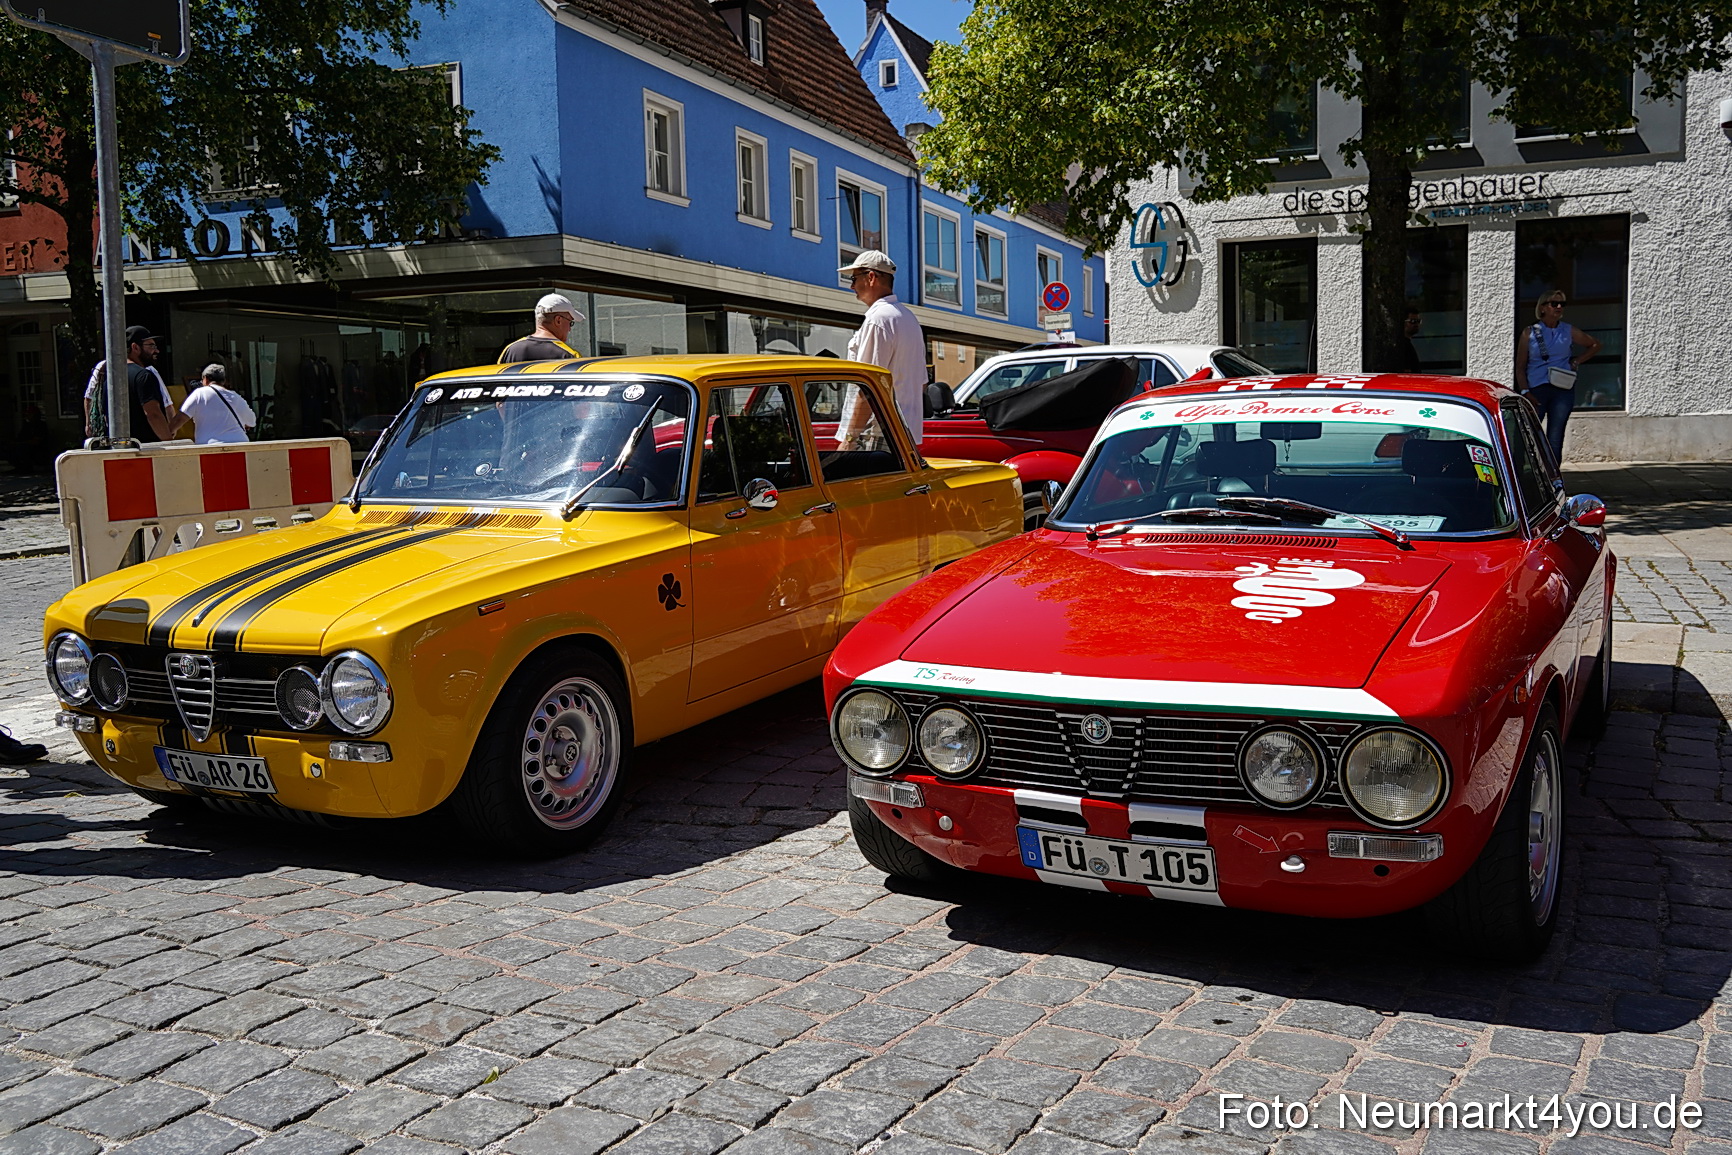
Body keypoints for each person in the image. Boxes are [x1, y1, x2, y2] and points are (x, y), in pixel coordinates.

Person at [837, 249, 926, 447]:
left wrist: (849, 439)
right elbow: (921, 383)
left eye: (853, 278)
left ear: (870, 277)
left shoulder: (878, 320)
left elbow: (867, 386)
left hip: (875, 435)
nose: (851, 286)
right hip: (902, 434)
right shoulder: (908, 319)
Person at [1515, 289, 1602, 462]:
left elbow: (1594, 345)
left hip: (1562, 389)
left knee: (1555, 436)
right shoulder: (1530, 333)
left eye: (1562, 304)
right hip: (1537, 389)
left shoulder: (1568, 330)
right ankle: (1522, 472)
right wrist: (1525, 392)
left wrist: (1576, 361)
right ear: (1543, 307)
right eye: (1554, 303)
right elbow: (1520, 367)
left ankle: (1554, 479)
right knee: (1528, 434)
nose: (1559, 307)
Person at [173, 364, 255, 445]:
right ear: (224, 381)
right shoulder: (236, 397)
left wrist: (167, 435)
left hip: (210, 447)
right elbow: (252, 422)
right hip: (239, 446)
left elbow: (180, 419)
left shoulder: (199, 393)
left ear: (205, 379)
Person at [498, 294, 586, 363]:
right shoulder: (569, 356)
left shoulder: (510, 351)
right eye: (570, 323)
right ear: (558, 320)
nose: (569, 329)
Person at [1395, 306, 1422, 373]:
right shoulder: (1403, 346)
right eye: (1412, 321)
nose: (1417, 324)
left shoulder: (1406, 344)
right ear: (1403, 323)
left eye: (1418, 321)